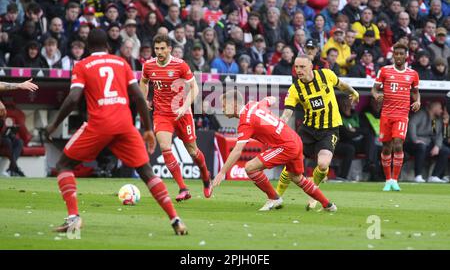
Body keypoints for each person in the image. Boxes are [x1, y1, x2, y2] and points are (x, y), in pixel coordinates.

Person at [44, 29, 187, 236]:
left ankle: (74, 217)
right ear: (108, 47)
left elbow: (74, 97)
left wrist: (54, 124)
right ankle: (175, 219)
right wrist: (147, 129)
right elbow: (139, 96)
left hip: (99, 124)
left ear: (87, 46)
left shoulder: (82, 65)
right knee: (146, 171)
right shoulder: (122, 63)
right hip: (125, 125)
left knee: (64, 165)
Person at [212, 91, 337, 213]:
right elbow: (270, 99)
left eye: (224, 105)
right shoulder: (253, 104)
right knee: (297, 178)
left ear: (233, 105)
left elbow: (237, 151)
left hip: (286, 146)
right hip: (295, 139)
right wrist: (272, 101)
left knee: (250, 167)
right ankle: (328, 204)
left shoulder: (245, 121)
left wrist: (222, 172)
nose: (222, 109)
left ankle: (274, 198)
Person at [275, 55, 359, 210]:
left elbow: (342, 85)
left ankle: (312, 192)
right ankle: (275, 197)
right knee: (291, 164)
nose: (299, 70)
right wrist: (279, 126)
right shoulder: (295, 89)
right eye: (296, 67)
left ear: (311, 66)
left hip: (329, 129)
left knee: (323, 164)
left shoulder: (326, 75)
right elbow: (287, 112)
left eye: (302, 67)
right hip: (308, 130)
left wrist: (354, 92)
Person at [139, 34, 212, 202]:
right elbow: (143, 82)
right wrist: (144, 99)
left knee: (193, 152)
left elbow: (194, 89)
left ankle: (206, 178)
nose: (159, 52)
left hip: (182, 114)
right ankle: (183, 188)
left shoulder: (180, 65)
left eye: (162, 48)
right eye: (156, 49)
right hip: (162, 114)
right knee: (165, 147)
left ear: (169, 49)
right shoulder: (149, 66)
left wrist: (185, 107)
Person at [371, 43, 421, 191]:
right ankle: (388, 180)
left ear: (406, 56)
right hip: (386, 115)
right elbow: (374, 89)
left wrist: (418, 101)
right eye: (396, 54)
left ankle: (395, 179)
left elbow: (416, 92)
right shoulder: (384, 71)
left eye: (401, 54)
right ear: (393, 55)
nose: (398, 56)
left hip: (402, 115)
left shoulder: (413, 74)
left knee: (398, 143)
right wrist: (376, 95)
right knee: (386, 147)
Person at [405, 101, 450, 183]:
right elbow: (412, 124)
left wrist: (437, 146)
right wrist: (415, 139)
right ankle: (418, 176)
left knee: (445, 150)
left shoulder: (434, 120)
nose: (441, 111)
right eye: (440, 108)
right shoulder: (421, 114)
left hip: (427, 144)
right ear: (434, 108)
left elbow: (435, 134)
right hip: (412, 144)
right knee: (421, 146)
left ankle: (434, 176)